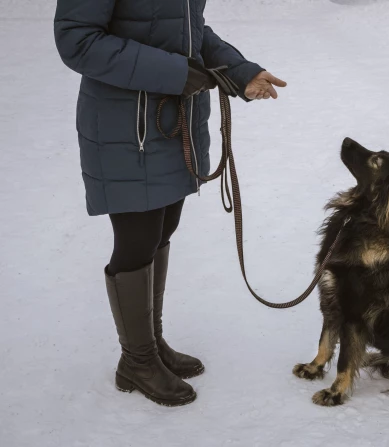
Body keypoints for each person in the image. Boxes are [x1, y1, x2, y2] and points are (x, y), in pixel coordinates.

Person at [54, 0, 287, 407]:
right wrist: (177, 74)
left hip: (174, 119)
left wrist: (240, 71)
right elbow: (78, 40)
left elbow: (189, 29)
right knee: (138, 236)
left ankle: (151, 343)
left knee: (164, 226)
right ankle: (136, 361)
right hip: (127, 124)